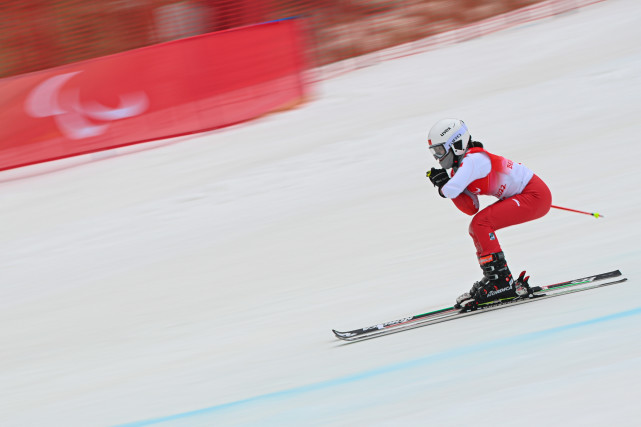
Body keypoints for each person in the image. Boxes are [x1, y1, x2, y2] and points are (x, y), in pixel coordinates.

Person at [426, 118, 552, 309]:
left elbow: (451, 190)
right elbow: (470, 207)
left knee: (481, 224)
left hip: (534, 195)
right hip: (525, 195)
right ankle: (496, 278)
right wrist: (447, 185)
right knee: (475, 226)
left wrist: (443, 187)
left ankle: (502, 282)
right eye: (434, 152)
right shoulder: (459, 169)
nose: (438, 157)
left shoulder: (475, 159)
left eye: (440, 150)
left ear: (457, 144)